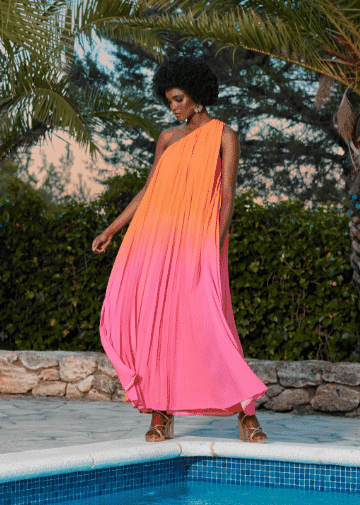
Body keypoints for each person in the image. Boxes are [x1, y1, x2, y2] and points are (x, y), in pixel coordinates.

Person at [91, 56, 268, 443]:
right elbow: (148, 191)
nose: (172, 107)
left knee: (212, 323)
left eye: (178, 99)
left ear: (197, 96)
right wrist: (111, 229)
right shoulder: (167, 138)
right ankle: (161, 412)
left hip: (199, 241)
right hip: (157, 240)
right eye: (169, 100)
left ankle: (246, 413)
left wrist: (214, 243)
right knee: (159, 325)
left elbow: (227, 196)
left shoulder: (225, 136)